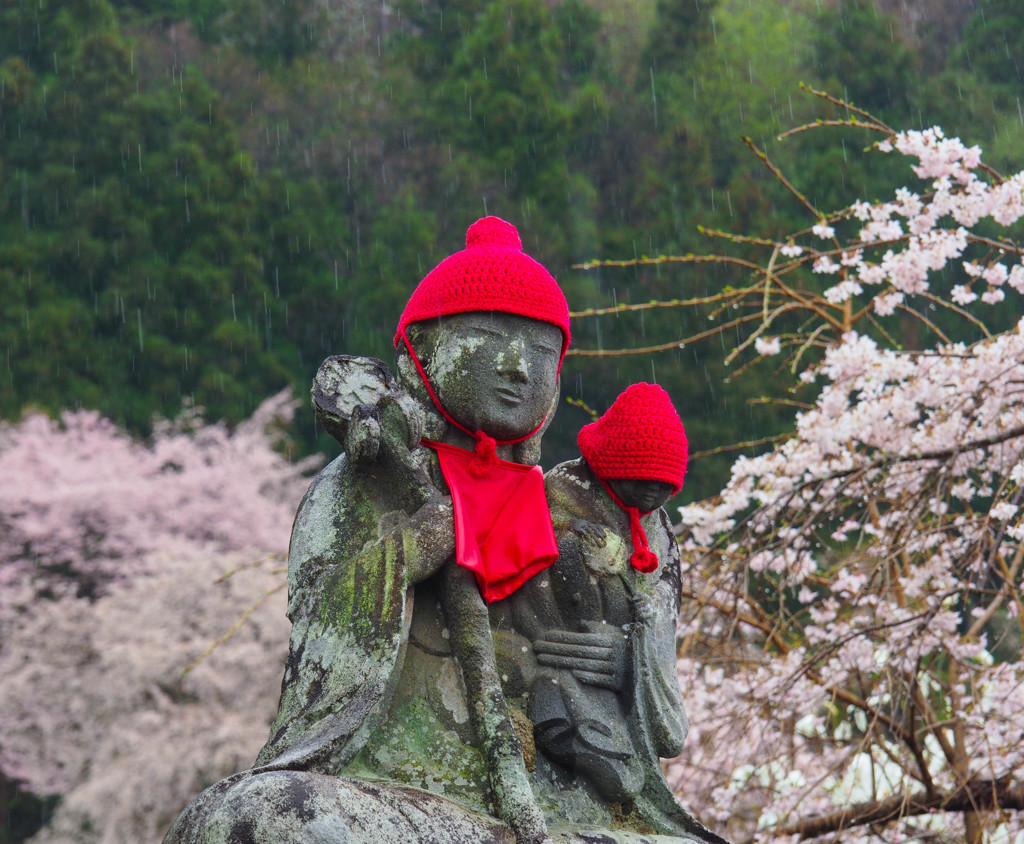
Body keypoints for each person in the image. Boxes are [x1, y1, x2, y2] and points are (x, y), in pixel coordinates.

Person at [164, 220, 725, 844]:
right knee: (265, 815)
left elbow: (663, 721)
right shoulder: (366, 485)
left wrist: (628, 661)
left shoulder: (595, 511)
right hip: (406, 799)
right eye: (489, 341)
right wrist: (404, 556)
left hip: (563, 814)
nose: (517, 368)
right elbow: (317, 642)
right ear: (419, 352)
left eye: (540, 352)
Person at [490, 383, 716, 838]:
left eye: (662, 490)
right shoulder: (558, 492)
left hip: (611, 681)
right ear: (607, 468)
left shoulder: (661, 538)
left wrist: (631, 659)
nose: (651, 501)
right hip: (545, 655)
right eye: (640, 486)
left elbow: (660, 634)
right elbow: (511, 576)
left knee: (620, 767)